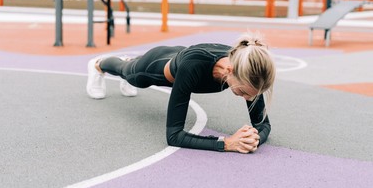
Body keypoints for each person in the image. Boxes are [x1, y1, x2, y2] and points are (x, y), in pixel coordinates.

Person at [86, 33, 276, 154]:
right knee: (127, 72)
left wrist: (253, 139)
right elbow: (174, 136)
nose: (249, 99)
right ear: (229, 71)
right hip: (154, 67)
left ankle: (127, 62)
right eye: (243, 92)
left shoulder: (248, 70)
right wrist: (227, 143)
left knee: (130, 71)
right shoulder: (193, 68)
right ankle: (98, 65)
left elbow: (263, 124)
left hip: (181, 55)